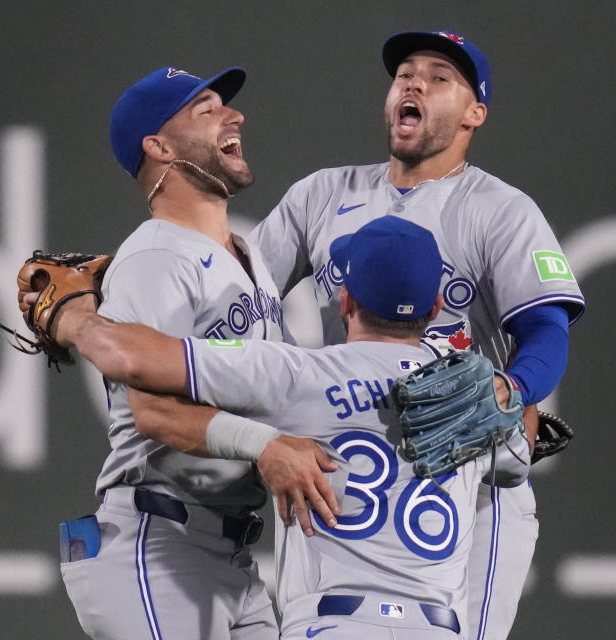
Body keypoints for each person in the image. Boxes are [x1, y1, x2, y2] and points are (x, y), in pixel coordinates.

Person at [40, 216, 532, 640]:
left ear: (346, 300)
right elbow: (521, 451)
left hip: (331, 625)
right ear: (435, 306)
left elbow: (142, 363)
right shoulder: (474, 396)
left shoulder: (298, 375)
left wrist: (80, 318)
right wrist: (507, 387)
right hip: (437, 628)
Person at [248, 30, 585, 639]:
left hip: (466, 472)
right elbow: (235, 292)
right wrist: (140, 276)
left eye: (439, 77)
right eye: (406, 72)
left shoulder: (500, 210)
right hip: (342, 467)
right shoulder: (323, 195)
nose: (414, 82)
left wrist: (509, 392)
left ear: (473, 113)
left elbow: (546, 331)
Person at [57, 65, 339, 640]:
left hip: (228, 555)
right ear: (159, 147)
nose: (233, 116)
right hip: (156, 548)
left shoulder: (248, 256)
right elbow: (153, 413)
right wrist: (266, 447)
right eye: (205, 110)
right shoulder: (155, 257)